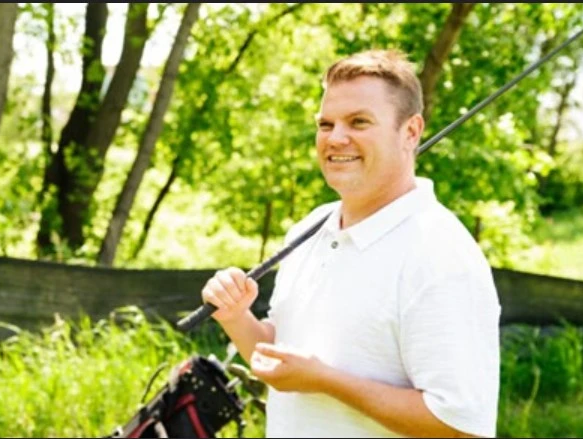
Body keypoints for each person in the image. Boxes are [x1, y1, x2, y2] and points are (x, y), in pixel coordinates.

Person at [200, 49, 501, 438]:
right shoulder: (310, 229)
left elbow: (460, 425)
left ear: (410, 132)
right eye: (325, 124)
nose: (336, 138)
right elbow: (285, 364)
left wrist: (326, 381)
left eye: (359, 122)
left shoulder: (439, 252)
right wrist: (236, 317)